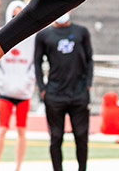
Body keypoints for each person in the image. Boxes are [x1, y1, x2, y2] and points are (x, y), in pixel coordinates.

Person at [35, 13, 93, 171]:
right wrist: (42, 89)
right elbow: (37, 63)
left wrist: (88, 85)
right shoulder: (44, 35)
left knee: (81, 136)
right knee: (56, 137)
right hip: (54, 94)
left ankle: (82, 168)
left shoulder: (82, 32)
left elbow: (89, 59)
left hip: (78, 93)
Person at [0, 0, 35, 171]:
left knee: (22, 131)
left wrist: (28, 82)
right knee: (1, 129)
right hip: (5, 92)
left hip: (24, 93)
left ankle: (18, 167)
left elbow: (34, 63)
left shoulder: (33, 36)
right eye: (14, 12)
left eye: (20, 12)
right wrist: (1, 83)